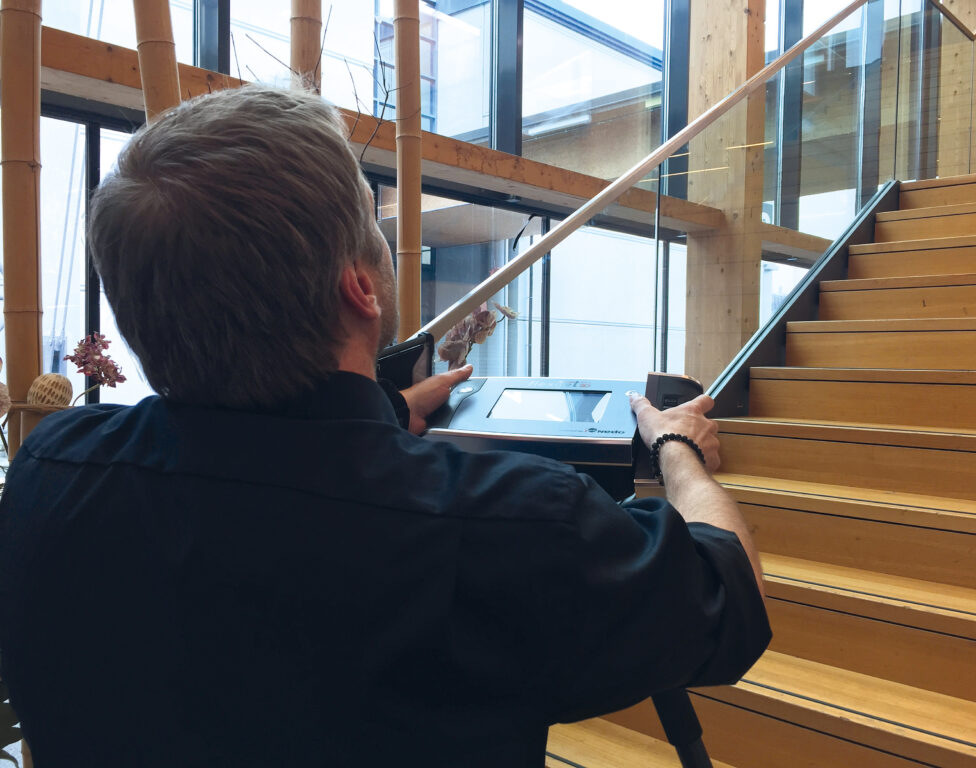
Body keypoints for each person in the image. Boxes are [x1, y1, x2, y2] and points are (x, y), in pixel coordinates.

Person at [0, 85, 769, 767]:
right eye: (373, 223)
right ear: (361, 287)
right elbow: (730, 598)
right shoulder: (509, 525)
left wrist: (395, 409)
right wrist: (677, 449)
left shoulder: (51, 473)